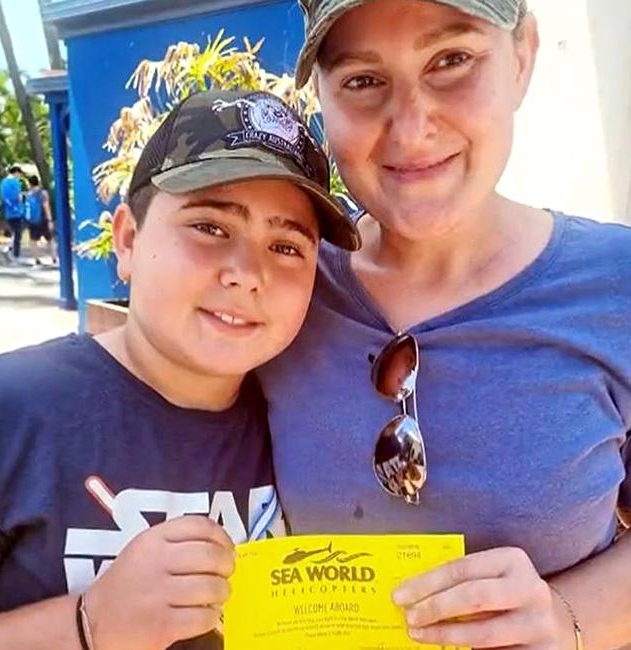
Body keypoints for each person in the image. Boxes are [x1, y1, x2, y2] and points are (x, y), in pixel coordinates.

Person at [260, 1, 631, 648]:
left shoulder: (617, 286)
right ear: (321, 96)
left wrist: (572, 616)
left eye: (451, 61)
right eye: (363, 80)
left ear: (523, 57)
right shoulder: (282, 288)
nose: (410, 128)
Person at [0, 89, 359, 650]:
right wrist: (89, 623)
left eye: (285, 247)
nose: (247, 274)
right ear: (128, 241)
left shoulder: (309, 423)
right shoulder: (5, 411)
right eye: (210, 227)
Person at [25, 175, 58, 266]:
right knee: (50, 239)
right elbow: (46, 206)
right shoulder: (43, 193)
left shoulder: (28, 194)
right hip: (43, 219)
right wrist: (50, 220)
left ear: (30, 183)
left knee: (33, 240)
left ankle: (36, 259)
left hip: (32, 221)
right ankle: (54, 258)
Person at [0, 164, 25, 262]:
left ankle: (9, 250)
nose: (20, 176)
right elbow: (19, 197)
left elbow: (3, 197)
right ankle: (15, 255)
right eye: (20, 174)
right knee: (18, 234)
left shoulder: (3, 182)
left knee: (15, 232)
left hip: (8, 211)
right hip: (17, 210)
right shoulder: (15, 182)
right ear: (16, 173)